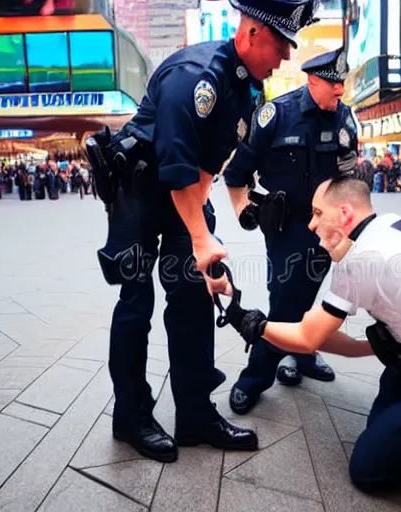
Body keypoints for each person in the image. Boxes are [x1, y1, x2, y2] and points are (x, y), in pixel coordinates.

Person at [85, 0, 318, 463]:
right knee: (137, 301)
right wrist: (199, 237)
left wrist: (204, 248)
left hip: (183, 192)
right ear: (252, 34)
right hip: (139, 189)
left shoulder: (249, 91)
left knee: (193, 295)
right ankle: (130, 415)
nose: (287, 57)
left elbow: (205, 171)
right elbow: (175, 171)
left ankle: (194, 415)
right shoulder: (197, 78)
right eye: (280, 44)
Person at [225, 176, 401, 492]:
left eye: (317, 213)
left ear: (343, 214)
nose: (311, 225)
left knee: (369, 471)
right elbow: (325, 339)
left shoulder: (360, 258)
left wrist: (247, 321)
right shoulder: (392, 225)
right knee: (379, 427)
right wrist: (375, 347)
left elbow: (307, 339)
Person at [224, 47, 358, 414]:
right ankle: (254, 379)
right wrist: (243, 209)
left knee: (308, 291)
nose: (341, 90)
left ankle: (302, 352)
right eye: (334, 83)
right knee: (285, 302)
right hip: (286, 226)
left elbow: (350, 175)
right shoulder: (275, 115)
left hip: (326, 230)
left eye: (343, 82)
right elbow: (236, 174)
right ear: (313, 81)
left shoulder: (344, 118)